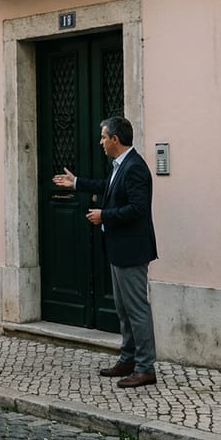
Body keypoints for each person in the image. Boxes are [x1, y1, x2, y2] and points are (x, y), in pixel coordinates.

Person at [52, 116, 158, 388]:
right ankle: (128, 359)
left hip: (132, 250)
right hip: (118, 248)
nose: (100, 142)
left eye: (103, 137)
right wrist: (76, 183)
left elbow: (138, 209)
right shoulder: (120, 165)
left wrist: (104, 215)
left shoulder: (135, 167)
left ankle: (145, 368)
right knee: (123, 309)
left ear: (115, 139)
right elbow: (106, 187)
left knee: (137, 310)